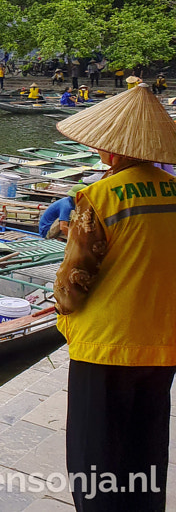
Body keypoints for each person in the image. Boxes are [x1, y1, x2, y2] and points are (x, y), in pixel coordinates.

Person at [53, 83, 176, 511]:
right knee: (146, 449)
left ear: (111, 149)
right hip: (162, 343)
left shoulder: (100, 198)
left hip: (106, 346)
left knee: (97, 463)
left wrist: (61, 300)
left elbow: (75, 283)